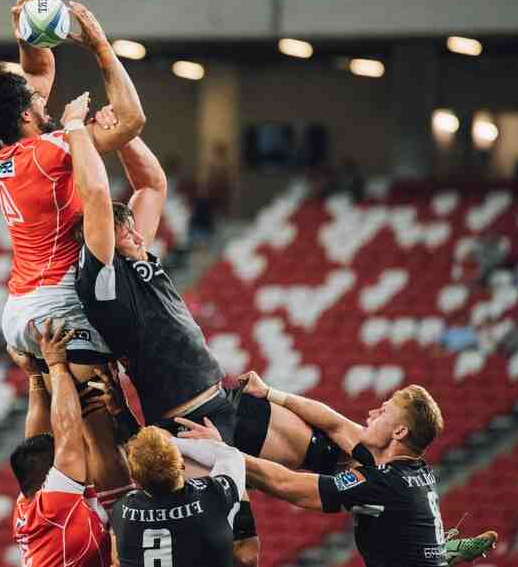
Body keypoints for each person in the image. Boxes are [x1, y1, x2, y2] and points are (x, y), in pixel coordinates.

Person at [67, 105, 348, 475]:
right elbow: (97, 197)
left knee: (334, 459)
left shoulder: (136, 254)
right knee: (223, 512)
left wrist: (122, 134)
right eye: (125, 234)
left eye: (134, 229)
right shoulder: (103, 281)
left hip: (224, 400)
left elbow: (152, 185)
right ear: (105, 244)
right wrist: (76, 128)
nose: (138, 236)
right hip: (184, 426)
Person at [0, 0, 145, 369]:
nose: (44, 97)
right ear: (26, 115)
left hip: (20, 306)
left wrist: (26, 35)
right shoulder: (50, 151)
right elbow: (131, 120)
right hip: (57, 303)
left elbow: (39, 73)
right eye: (35, 99)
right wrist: (101, 48)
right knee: (101, 399)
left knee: (50, 392)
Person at [190, 372, 497, 567]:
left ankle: (443, 552)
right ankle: (443, 551)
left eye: (383, 412)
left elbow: (290, 486)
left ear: (399, 432)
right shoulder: (408, 467)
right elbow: (335, 424)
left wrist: (223, 452)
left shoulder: (382, 482)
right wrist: (270, 393)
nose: (372, 412)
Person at [10, 318, 112, 567]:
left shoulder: (35, 502)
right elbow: (68, 431)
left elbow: (37, 442)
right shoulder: (51, 506)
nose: (66, 455)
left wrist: (36, 375)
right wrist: (55, 364)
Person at [111, 426, 258, 567]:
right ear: (181, 464)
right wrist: (174, 441)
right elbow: (230, 455)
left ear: (135, 479)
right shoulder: (213, 494)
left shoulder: (121, 511)